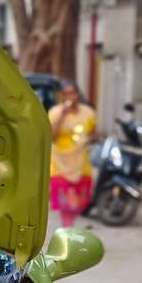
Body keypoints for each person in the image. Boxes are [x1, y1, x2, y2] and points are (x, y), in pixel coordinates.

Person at [48, 81, 97, 227]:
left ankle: (69, 226)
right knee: (66, 203)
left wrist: (87, 139)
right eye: (65, 94)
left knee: (78, 202)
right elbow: (52, 137)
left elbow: (94, 133)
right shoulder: (55, 112)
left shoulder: (88, 113)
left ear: (78, 95)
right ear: (61, 96)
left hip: (80, 162)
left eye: (72, 93)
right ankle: (67, 228)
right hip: (60, 163)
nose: (69, 97)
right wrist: (62, 116)